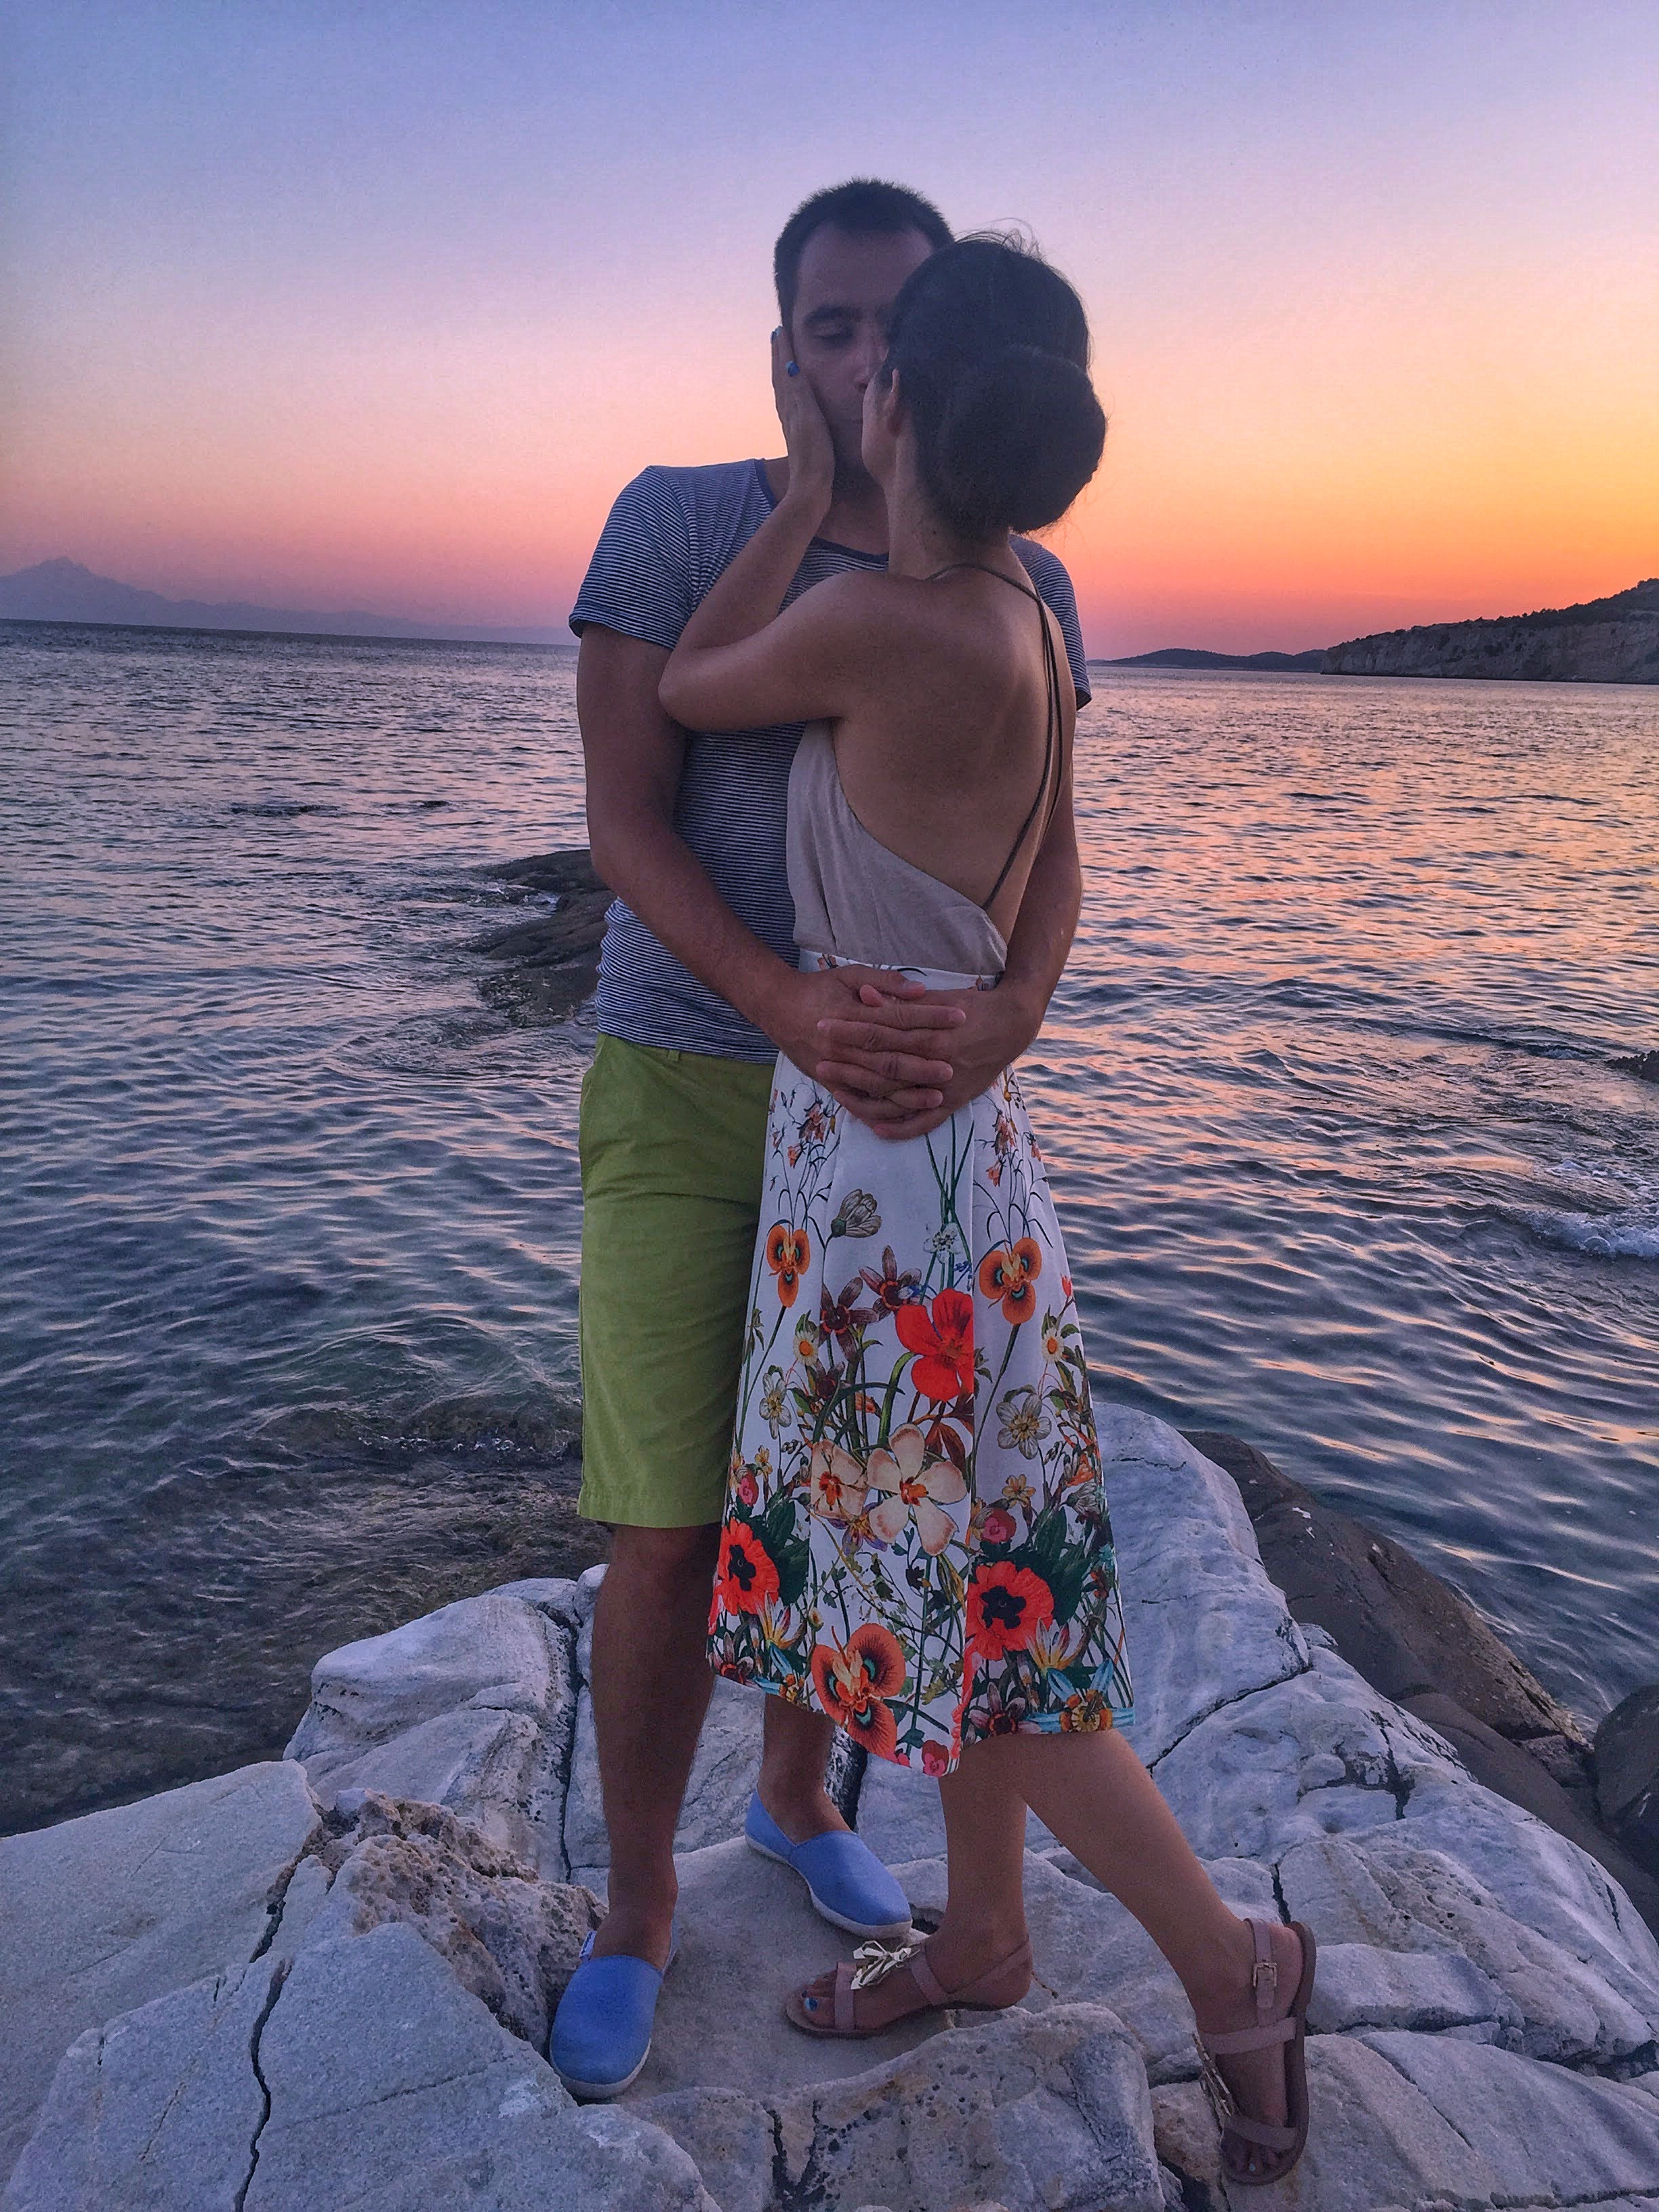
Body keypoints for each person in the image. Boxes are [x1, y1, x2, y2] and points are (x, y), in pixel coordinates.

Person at [657, 236, 1317, 2188]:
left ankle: (1232, 1967)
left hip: (883, 1177)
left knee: (947, 1616)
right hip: (965, 1142)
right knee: (974, 1571)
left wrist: (795, 500)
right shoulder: (1027, 608)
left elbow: (689, 685)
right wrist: (1017, 1007)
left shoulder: (893, 621)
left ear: (896, 404)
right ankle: (987, 1935)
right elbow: (1065, 855)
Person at [551, 182, 1095, 2104]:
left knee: (847, 1493)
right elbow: (624, 820)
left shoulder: (1020, 573)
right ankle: (637, 1903)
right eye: (831, 329)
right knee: (667, 1520)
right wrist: (783, 1002)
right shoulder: (678, 520)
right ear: (783, 352)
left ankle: (795, 1798)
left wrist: (1015, 1017)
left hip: (890, 1120)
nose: (866, 363)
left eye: (896, 329)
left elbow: (1057, 844)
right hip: (692, 1079)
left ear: (946, 356)